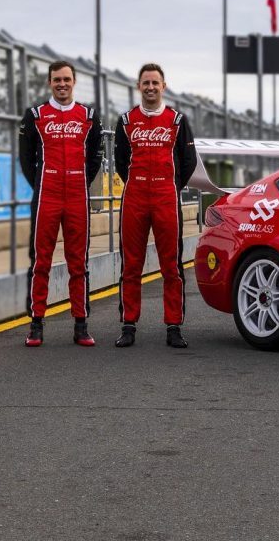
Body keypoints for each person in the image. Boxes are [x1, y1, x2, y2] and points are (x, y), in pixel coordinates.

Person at [18, 60, 103, 347]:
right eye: (57, 80)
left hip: (78, 195)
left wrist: (79, 179)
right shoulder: (36, 115)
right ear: (49, 83)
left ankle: (80, 324)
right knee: (41, 260)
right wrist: (42, 183)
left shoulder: (89, 115)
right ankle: (36, 323)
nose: (62, 84)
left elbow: (94, 158)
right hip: (47, 195)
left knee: (78, 262)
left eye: (67, 79)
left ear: (74, 81)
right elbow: (26, 158)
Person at [113, 64, 197, 348]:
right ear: (139, 86)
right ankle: (128, 325)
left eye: (155, 83)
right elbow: (120, 160)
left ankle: (174, 325)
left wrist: (171, 185)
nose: (150, 87)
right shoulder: (126, 120)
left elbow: (188, 162)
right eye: (146, 83)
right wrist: (136, 182)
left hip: (165, 195)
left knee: (171, 264)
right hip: (135, 195)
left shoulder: (177, 120)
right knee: (131, 264)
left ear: (164, 86)